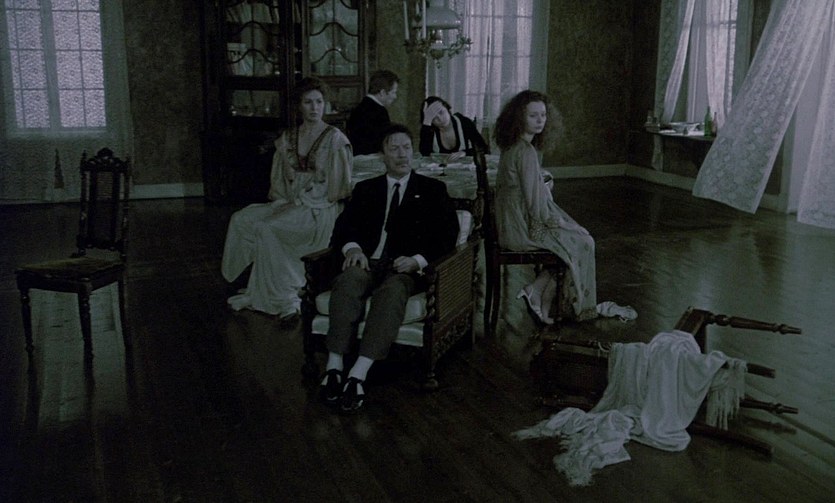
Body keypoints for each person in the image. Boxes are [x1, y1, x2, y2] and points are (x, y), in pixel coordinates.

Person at [320, 124, 460, 413]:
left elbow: (447, 236)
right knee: (348, 281)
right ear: (382, 155)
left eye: (406, 148)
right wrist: (353, 249)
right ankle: (334, 367)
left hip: (403, 268)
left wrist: (417, 260)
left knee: (393, 291)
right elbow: (343, 228)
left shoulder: (432, 190)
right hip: (367, 262)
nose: (401, 154)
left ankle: (358, 373)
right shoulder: (365, 189)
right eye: (394, 148)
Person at [221, 77, 353, 320]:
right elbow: (280, 181)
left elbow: (338, 187)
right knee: (242, 219)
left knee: (268, 227)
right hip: (291, 202)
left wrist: (303, 200)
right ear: (299, 106)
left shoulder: (334, 139)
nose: (314, 108)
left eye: (319, 102)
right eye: (308, 102)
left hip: (319, 207)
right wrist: (284, 201)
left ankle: (283, 296)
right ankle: (259, 289)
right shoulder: (288, 138)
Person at [494, 90, 598, 323]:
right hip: (519, 229)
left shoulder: (513, 146)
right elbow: (535, 206)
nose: (540, 120)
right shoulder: (525, 151)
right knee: (583, 242)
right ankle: (542, 296)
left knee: (576, 239)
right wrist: (563, 225)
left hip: (511, 222)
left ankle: (538, 293)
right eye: (533, 116)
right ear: (519, 118)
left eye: (543, 115)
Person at [419, 96, 489, 163]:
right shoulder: (429, 130)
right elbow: (424, 153)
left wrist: (465, 153)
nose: (440, 119)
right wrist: (426, 122)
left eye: (441, 112)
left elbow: (484, 148)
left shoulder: (464, 122)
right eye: (434, 118)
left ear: (447, 108)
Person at [346, 70, 399, 155]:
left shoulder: (359, 107)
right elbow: (384, 143)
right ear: (382, 92)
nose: (395, 97)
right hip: (372, 158)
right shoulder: (380, 112)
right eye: (394, 92)